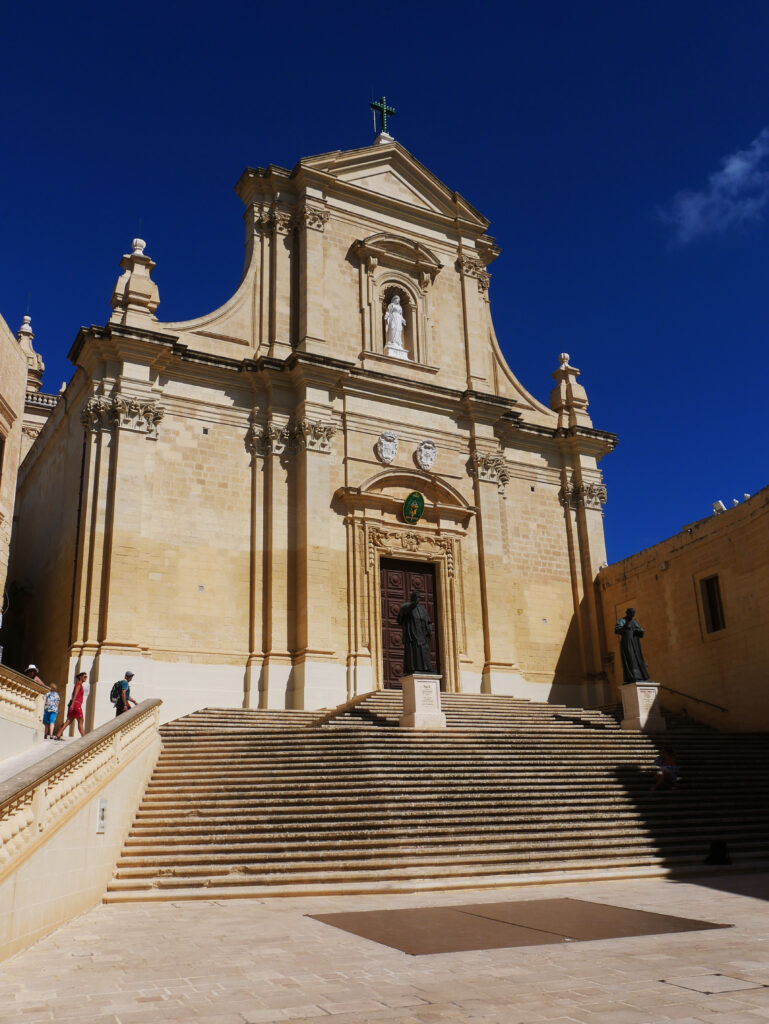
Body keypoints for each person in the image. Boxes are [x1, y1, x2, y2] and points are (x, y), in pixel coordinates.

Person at [397, 590, 434, 675]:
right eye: (416, 597)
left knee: (424, 651)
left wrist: (429, 629)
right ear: (412, 597)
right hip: (413, 635)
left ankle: (426, 668)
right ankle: (414, 669)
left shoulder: (422, 609)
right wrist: (413, 604)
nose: (418, 599)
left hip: (423, 635)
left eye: (418, 597)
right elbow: (401, 617)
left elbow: (428, 621)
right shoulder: (406, 606)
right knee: (415, 652)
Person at [614, 607, 650, 682]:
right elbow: (617, 630)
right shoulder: (622, 621)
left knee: (638, 658)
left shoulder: (634, 621)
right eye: (631, 614)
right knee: (631, 659)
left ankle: (642, 676)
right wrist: (626, 625)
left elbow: (640, 630)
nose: (632, 616)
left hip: (635, 643)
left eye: (633, 614)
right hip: (627, 643)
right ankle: (633, 676)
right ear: (627, 613)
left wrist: (640, 631)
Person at [54, 672, 87, 739]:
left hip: (74, 704)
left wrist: (72, 704)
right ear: (80, 677)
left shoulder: (78, 685)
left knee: (68, 721)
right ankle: (84, 737)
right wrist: (72, 704)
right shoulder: (79, 685)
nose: (85, 678)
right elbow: (74, 695)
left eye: (86, 677)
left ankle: (58, 734)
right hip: (76, 705)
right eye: (84, 677)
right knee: (81, 720)